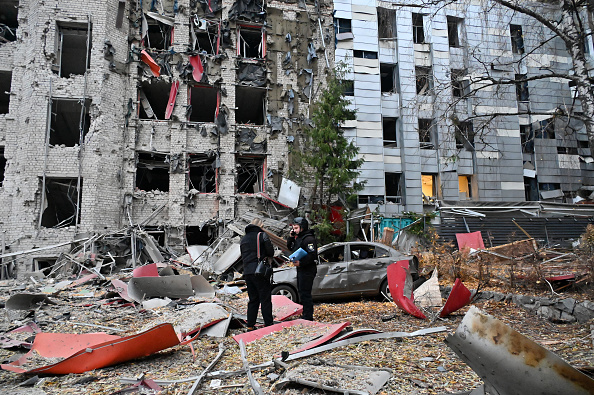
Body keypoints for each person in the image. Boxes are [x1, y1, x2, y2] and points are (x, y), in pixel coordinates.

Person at [240, 218, 275, 330]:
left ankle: (250, 324)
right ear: (260, 225)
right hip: (260, 272)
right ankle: (268, 324)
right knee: (265, 298)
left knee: (253, 299)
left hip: (247, 272)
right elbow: (271, 252)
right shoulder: (262, 235)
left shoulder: (244, 239)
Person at [286, 217, 318, 321]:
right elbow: (290, 248)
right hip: (301, 269)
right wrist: (291, 237)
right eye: (293, 228)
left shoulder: (309, 239)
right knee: (301, 292)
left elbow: (312, 255)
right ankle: (305, 313)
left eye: (296, 228)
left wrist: (301, 263)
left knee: (305, 293)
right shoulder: (299, 238)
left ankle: (308, 316)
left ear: (302, 227)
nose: (294, 230)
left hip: (308, 269)